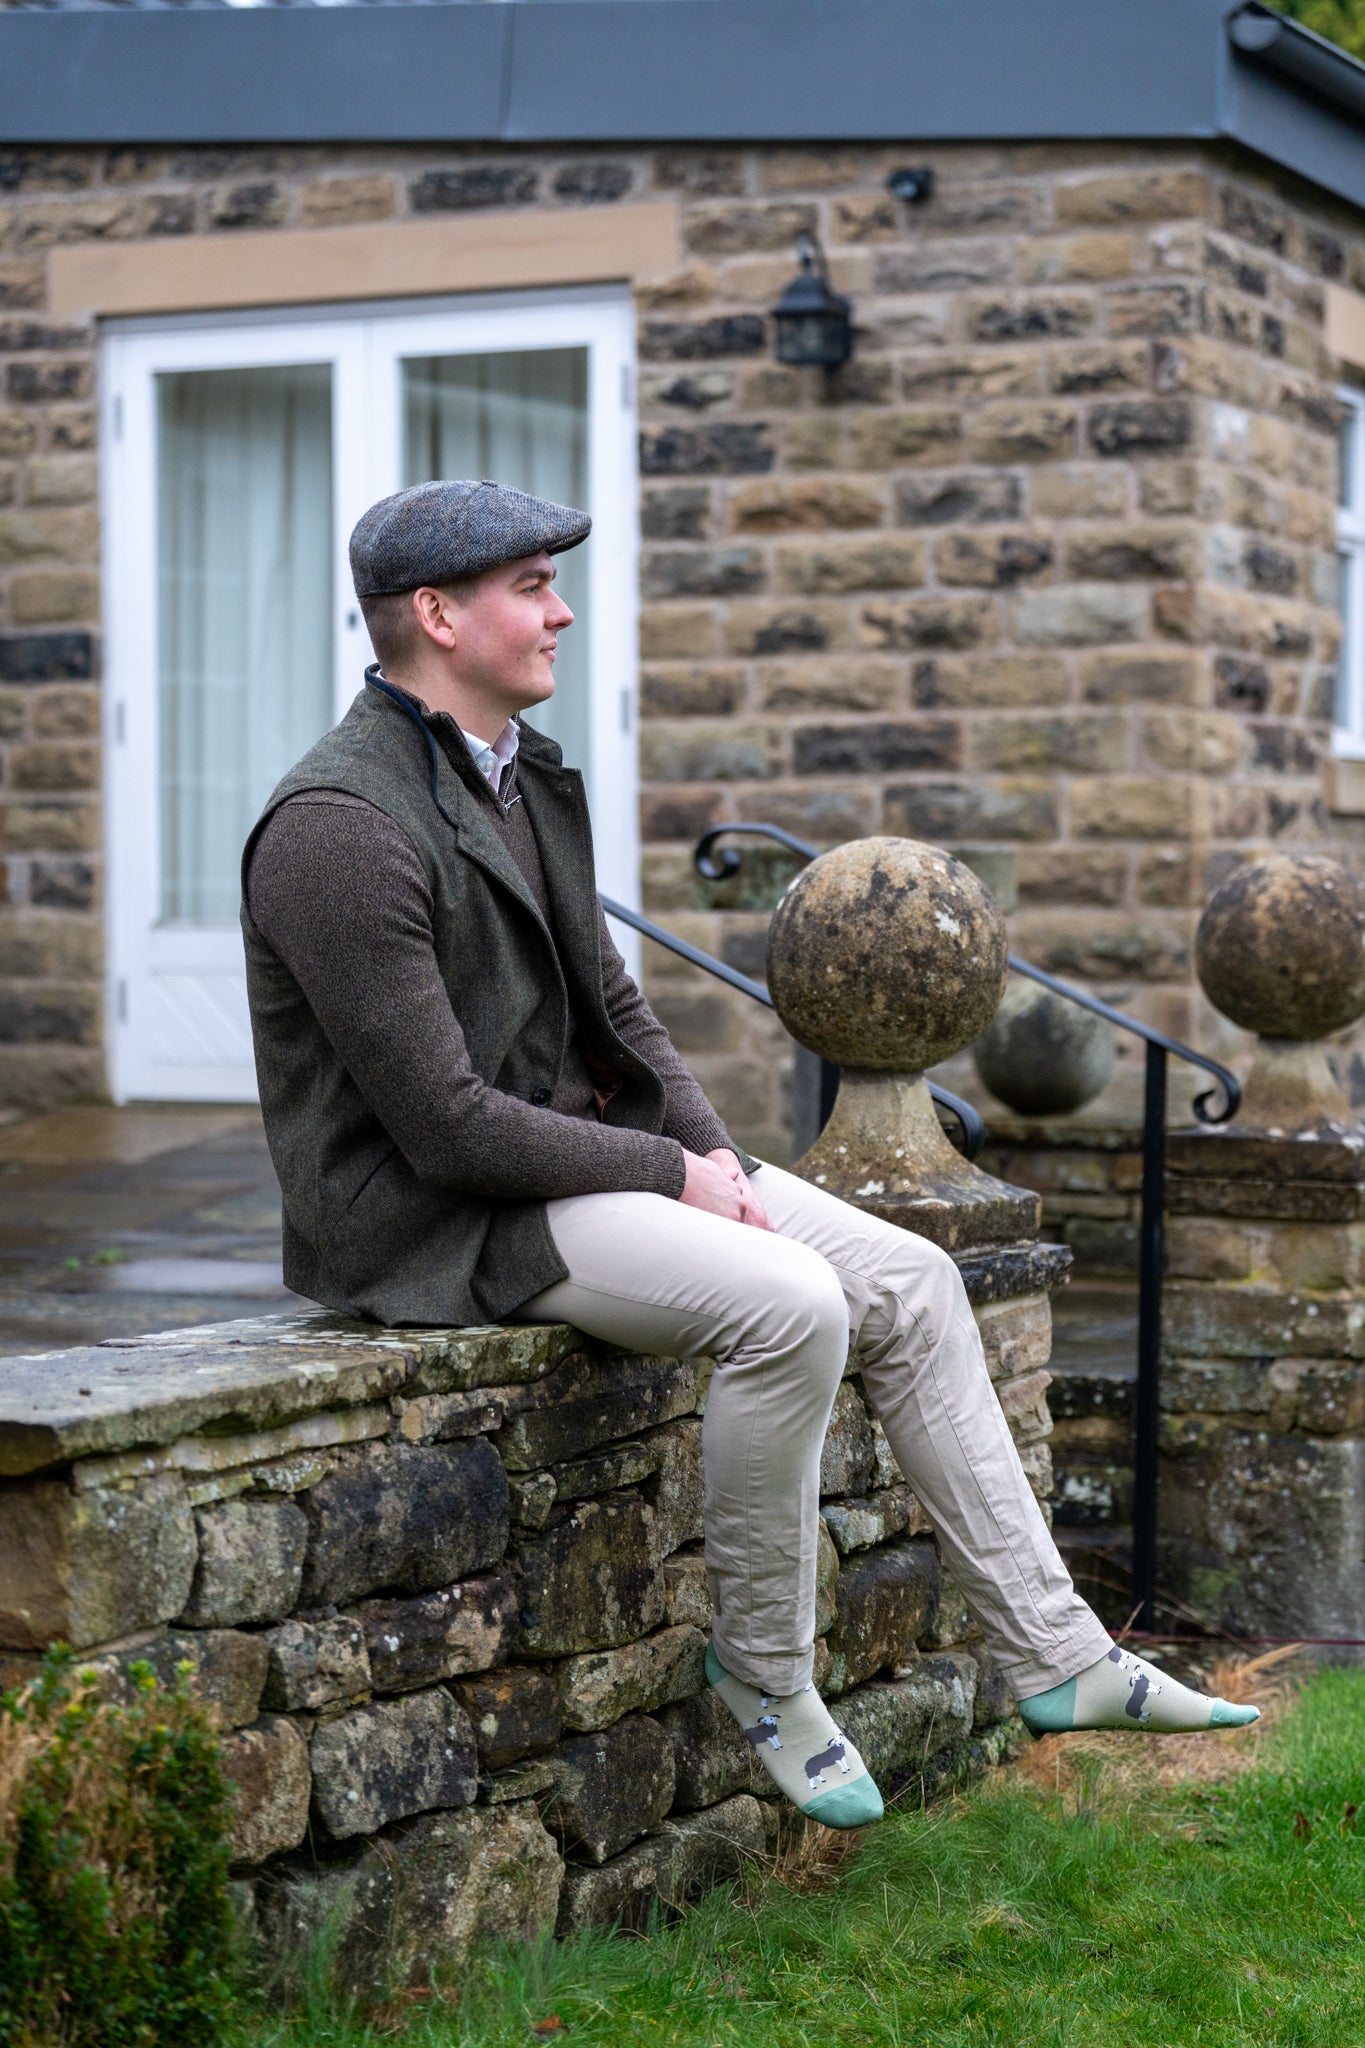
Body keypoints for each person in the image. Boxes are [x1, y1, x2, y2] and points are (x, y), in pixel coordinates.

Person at [242, 479, 1258, 1831]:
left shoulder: (520, 775)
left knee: (911, 1281)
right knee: (791, 1306)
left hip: (575, 1159)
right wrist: (671, 1179)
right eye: (531, 587)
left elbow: (617, 1014)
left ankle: (1059, 1657)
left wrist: (717, 1163)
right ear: (435, 615)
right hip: (438, 1215)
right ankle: (768, 1675)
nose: (560, 612)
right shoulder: (336, 827)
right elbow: (444, 1124)